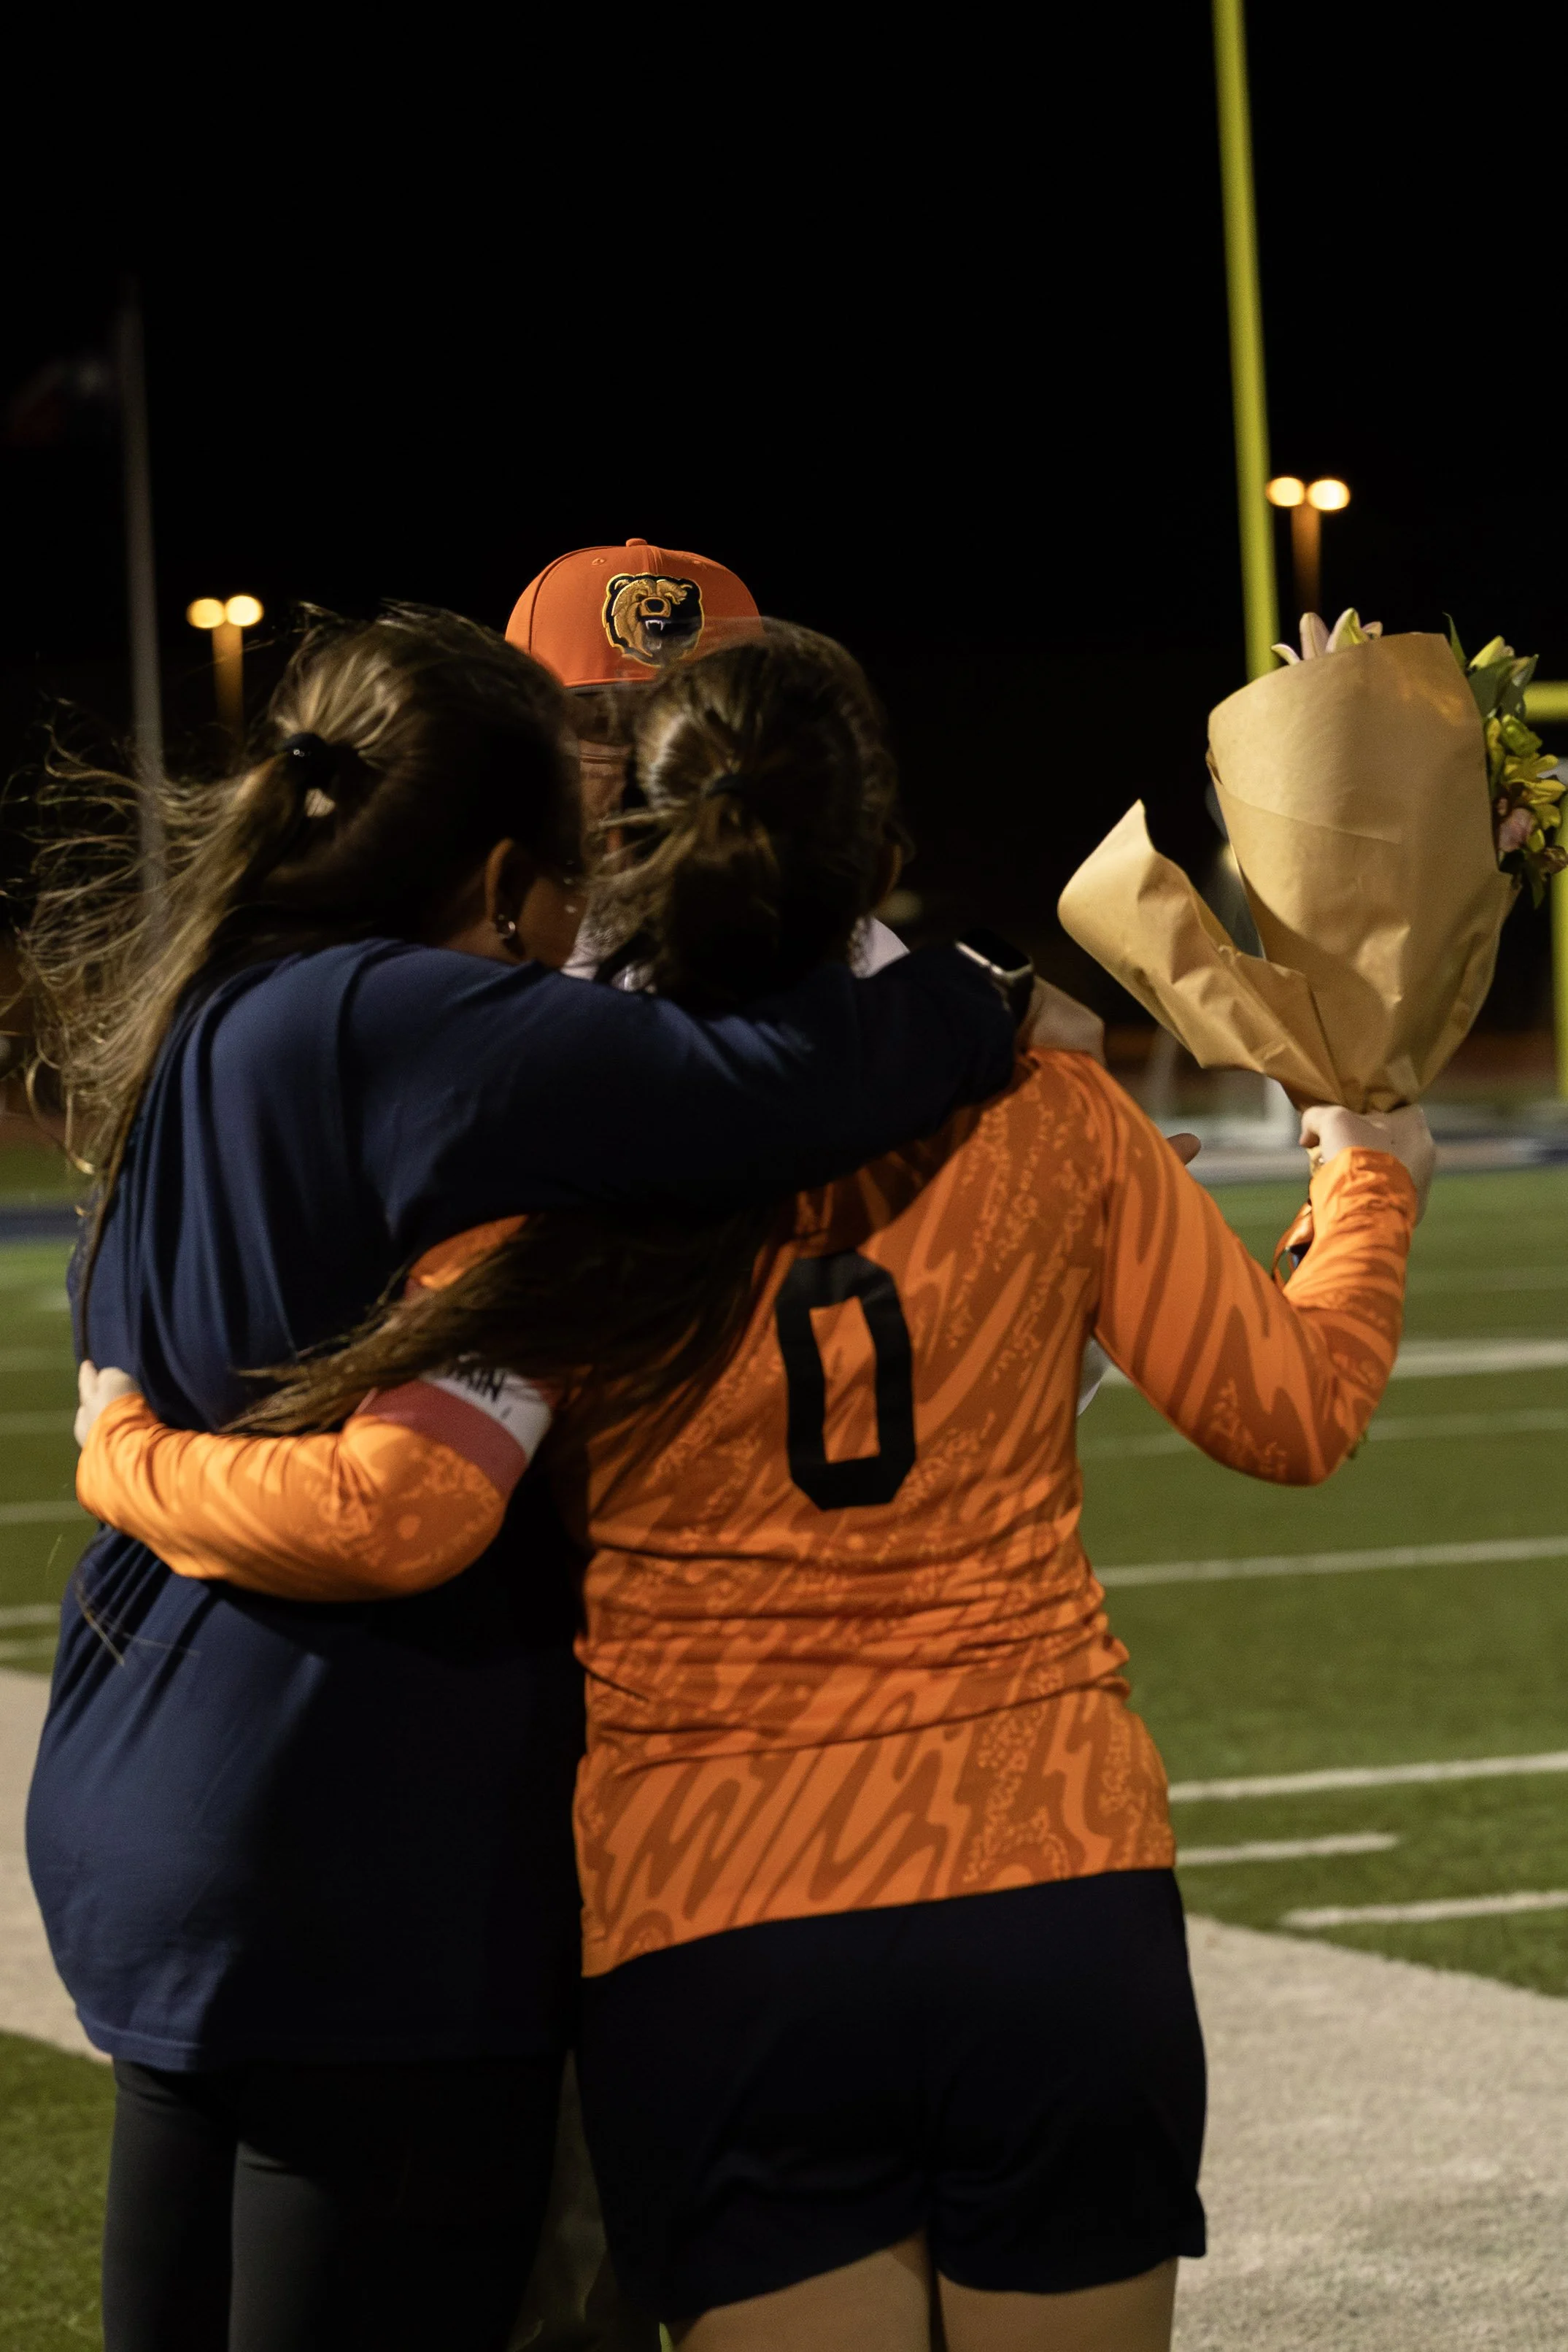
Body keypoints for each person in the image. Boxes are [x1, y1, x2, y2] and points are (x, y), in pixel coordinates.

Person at [76, 622, 1434, 2352]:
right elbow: (1292, 1410)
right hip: (1048, 1884)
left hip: (722, 1924)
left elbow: (414, 1499)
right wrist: (1366, 1175)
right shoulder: (1051, 1110)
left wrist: (126, 1448)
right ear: (886, 850)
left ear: (621, 849)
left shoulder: (550, 1172)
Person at [23, 604, 1026, 2352]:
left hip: (140, 1812)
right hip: (358, 1851)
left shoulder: (200, 1007)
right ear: (501, 878)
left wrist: (125, 1463)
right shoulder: (434, 1023)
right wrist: (976, 991)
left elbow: (119, 1374)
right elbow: (791, 1083)